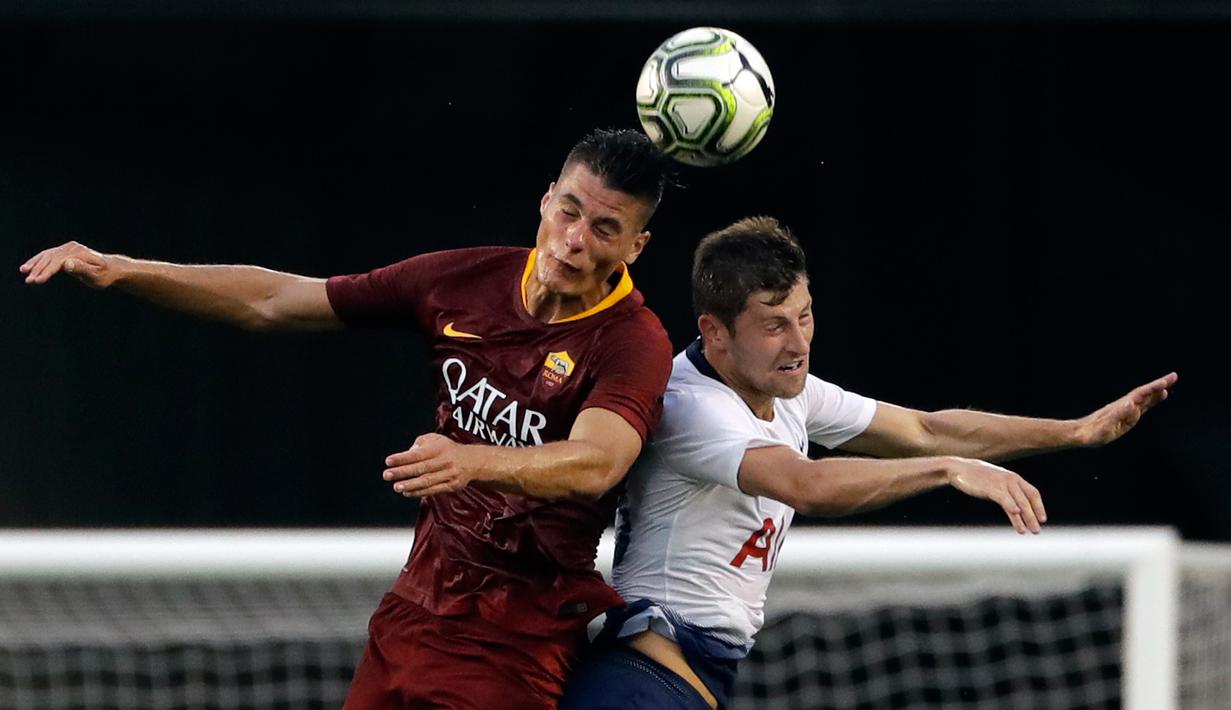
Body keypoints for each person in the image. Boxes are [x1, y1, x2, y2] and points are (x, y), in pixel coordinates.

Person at [20, 128, 676, 709]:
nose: (573, 241)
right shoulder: (461, 281)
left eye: (603, 229)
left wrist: (476, 460)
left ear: (636, 246)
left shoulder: (630, 340)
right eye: (569, 211)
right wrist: (127, 269)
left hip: (513, 644)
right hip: (411, 618)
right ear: (546, 198)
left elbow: (600, 461)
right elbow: (276, 299)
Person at [559, 216, 1177, 710]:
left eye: (804, 315)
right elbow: (807, 485)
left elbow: (925, 427)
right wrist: (946, 471)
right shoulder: (693, 407)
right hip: (641, 674)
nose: (799, 343)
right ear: (715, 333)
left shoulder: (787, 388)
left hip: (685, 676)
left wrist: (1076, 432)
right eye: (774, 325)